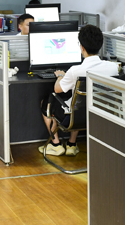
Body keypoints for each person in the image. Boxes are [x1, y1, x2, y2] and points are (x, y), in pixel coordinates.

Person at [39, 25, 119, 156]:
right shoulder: (113, 67)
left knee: (48, 102)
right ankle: (72, 144)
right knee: (79, 100)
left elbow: (57, 89)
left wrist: (60, 76)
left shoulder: (75, 71)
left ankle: (56, 145)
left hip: (76, 119)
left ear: (82, 47)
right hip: (101, 116)